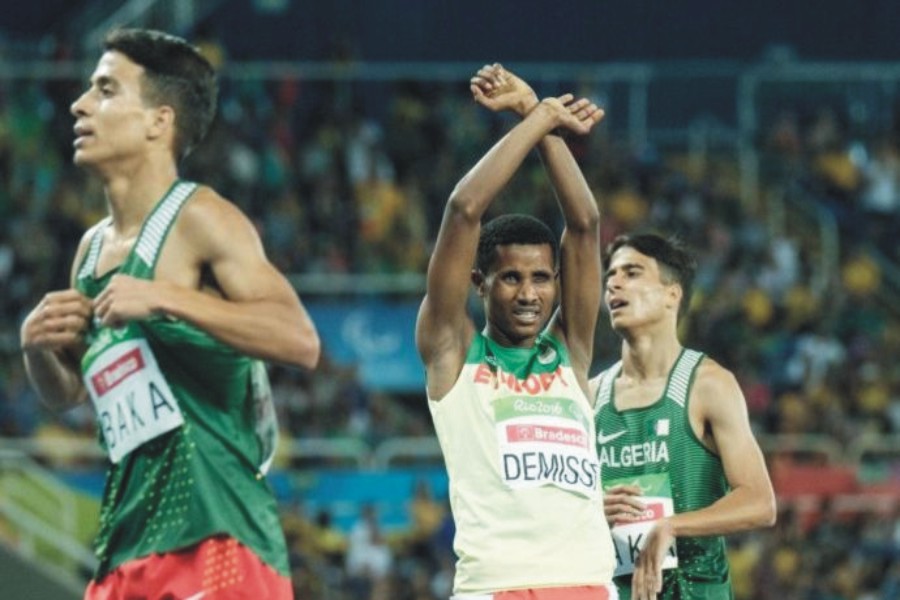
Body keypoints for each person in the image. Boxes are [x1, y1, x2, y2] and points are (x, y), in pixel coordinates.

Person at [19, 28, 320, 599]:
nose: (80, 104)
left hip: (216, 542)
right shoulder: (90, 251)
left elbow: (299, 340)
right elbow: (72, 392)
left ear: (159, 121)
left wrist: (166, 297)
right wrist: (38, 350)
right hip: (123, 555)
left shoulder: (202, 218)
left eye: (106, 89)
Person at [416, 63, 617, 599]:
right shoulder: (453, 352)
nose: (529, 294)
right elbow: (464, 210)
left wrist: (536, 111)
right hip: (498, 586)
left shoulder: (569, 352)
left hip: (588, 584)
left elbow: (585, 224)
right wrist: (538, 122)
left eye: (541, 279)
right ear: (479, 283)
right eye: (510, 278)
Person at [591, 233, 776, 600]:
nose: (613, 283)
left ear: (671, 295)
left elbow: (760, 501)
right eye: (610, 274)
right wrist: (591, 506)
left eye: (632, 273)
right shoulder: (591, 395)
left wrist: (671, 526)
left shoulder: (709, 385)